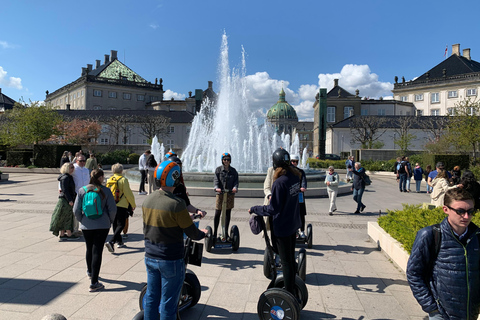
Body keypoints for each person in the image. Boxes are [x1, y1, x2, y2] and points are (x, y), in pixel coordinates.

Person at [142, 160, 207, 320]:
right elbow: (191, 232)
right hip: (170, 258)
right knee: (169, 302)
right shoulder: (177, 204)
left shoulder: (147, 200)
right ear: (175, 180)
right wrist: (203, 233)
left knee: (151, 297)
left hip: (150, 256)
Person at [407, 188, 480, 320]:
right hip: (442, 313)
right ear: (445, 209)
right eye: (460, 211)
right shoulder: (430, 235)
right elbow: (414, 273)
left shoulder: (477, 236)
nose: (466, 217)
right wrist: (431, 307)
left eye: (470, 211)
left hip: (471, 313)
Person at [249, 148, 302, 300]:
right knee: (291, 259)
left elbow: (273, 208)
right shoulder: (294, 177)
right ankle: (290, 287)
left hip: (282, 227)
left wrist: (255, 209)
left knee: (285, 262)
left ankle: (289, 292)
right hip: (292, 223)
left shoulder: (279, 182)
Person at [74, 169, 117, 292]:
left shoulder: (82, 190)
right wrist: (109, 221)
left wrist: (82, 219)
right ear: (101, 178)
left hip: (87, 225)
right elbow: (112, 209)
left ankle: (90, 272)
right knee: (97, 250)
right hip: (102, 224)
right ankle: (94, 282)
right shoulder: (106, 191)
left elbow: (76, 210)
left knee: (89, 248)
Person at [105, 163, 136, 252]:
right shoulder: (123, 180)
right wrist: (133, 204)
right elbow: (128, 193)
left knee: (115, 223)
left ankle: (119, 241)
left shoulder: (109, 179)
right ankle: (112, 241)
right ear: (121, 171)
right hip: (121, 204)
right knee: (121, 224)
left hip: (111, 204)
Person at [213, 153, 239, 242]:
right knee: (217, 213)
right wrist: (216, 188)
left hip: (230, 195)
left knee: (228, 213)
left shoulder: (233, 171)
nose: (226, 161)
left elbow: (236, 181)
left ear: (230, 160)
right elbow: (216, 180)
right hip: (220, 195)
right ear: (222, 160)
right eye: (225, 159)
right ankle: (215, 233)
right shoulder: (218, 170)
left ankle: (226, 233)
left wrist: (235, 188)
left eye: (228, 159)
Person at [49, 162, 78, 240]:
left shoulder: (67, 177)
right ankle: (69, 234)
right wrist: (70, 200)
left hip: (65, 199)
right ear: (67, 168)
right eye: (71, 167)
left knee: (63, 216)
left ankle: (62, 234)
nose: (73, 168)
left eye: (73, 167)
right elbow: (65, 190)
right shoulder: (65, 177)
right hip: (65, 200)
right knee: (67, 216)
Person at [71, 154, 90, 234]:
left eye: (84, 161)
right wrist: (60, 188)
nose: (82, 162)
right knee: (76, 211)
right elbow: (65, 176)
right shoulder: (73, 168)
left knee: (85, 210)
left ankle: (84, 227)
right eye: (80, 161)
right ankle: (75, 229)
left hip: (86, 193)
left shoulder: (86, 170)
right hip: (76, 193)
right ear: (76, 161)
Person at [290, 154, 308, 238]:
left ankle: (302, 231)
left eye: (296, 162)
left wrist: (303, 187)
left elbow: (304, 182)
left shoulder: (301, 172)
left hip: (299, 195)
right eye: (293, 161)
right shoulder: (287, 172)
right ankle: (293, 230)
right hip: (290, 195)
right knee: (290, 213)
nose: (294, 163)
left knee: (301, 213)